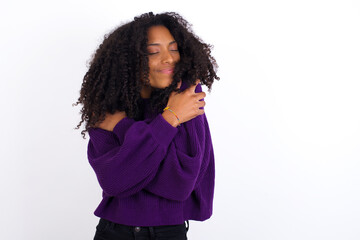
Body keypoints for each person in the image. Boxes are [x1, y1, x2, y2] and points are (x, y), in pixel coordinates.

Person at [73, 11, 219, 240]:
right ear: (131, 60)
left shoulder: (186, 99)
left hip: (168, 233)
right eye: (153, 51)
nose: (169, 58)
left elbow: (179, 183)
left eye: (173, 48)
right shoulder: (106, 106)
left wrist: (123, 126)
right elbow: (114, 181)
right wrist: (169, 121)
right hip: (113, 232)